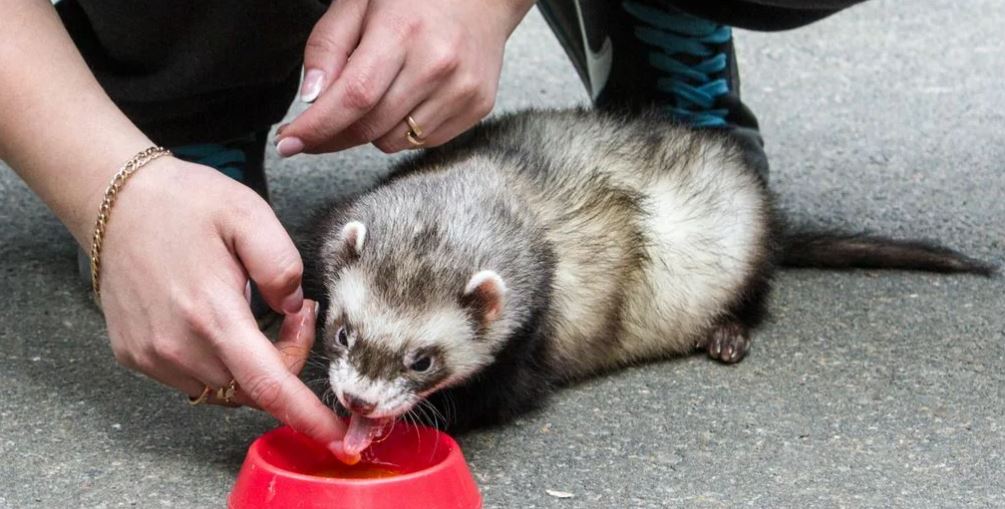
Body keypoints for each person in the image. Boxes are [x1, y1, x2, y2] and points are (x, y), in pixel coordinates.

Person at [0, 0, 864, 459]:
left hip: (627, 192)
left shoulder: (507, 317)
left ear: (491, 312)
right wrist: (113, 187)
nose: (360, 391)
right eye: (348, 340)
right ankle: (180, 91)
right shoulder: (378, 257)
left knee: (715, 218)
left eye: (414, 365)